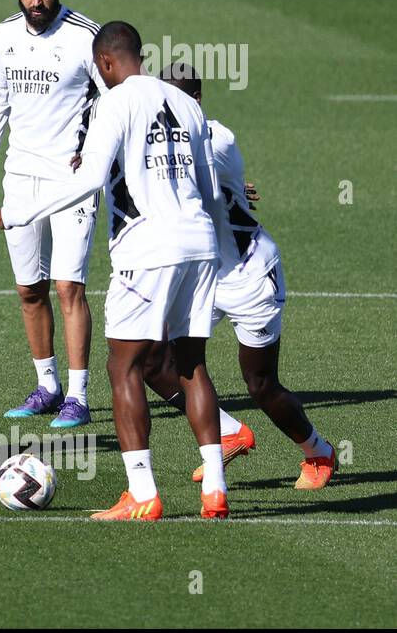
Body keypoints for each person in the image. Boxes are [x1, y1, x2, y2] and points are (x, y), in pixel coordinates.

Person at [0, 22, 229, 519]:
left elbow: (90, 177)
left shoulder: (114, 103)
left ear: (104, 63)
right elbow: (210, 191)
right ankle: (215, 487)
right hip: (199, 243)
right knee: (191, 364)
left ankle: (142, 494)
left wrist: (23, 210)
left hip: (147, 249)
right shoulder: (186, 103)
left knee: (124, 366)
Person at [143, 63, 336, 490]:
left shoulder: (219, 137)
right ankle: (229, 431)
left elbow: (184, 180)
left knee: (261, 384)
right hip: (203, 275)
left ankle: (318, 451)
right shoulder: (163, 144)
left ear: (194, 102)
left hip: (250, 276)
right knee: (150, 360)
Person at [0, 0, 103, 427]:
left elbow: (116, 101)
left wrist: (100, 157)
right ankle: (47, 385)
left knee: (69, 286)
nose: (36, 1)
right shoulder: (3, 36)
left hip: (72, 180)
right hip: (20, 178)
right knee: (29, 289)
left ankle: (79, 397)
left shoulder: (86, 36)